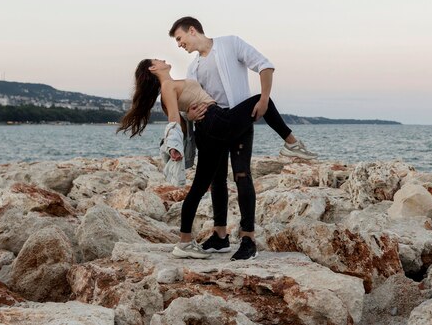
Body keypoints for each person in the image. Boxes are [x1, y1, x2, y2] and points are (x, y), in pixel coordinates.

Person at [118, 59, 312, 259]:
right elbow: (175, 120)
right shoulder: (167, 86)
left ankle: (187, 242)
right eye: (157, 60)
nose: (163, 60)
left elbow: (182, 115)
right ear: (153, 68)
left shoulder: (172, 84)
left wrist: (189, 116)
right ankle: (291, 144)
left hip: (210, 129)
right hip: (215, 119)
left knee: (200, 186)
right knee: (263, 101)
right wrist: (175, 144)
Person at [169, 16, 316, 260]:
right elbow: (188, 104)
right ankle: (220, 236)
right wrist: (189, 114)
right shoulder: (192, 68)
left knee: (241, 175)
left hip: (237, 121)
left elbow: (264, 65)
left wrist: (264, 100)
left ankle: (248, 239)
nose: (179, 45)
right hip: (210, 127)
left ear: (192, 30)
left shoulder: (230, 44)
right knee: (216, 181)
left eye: (179, 38)